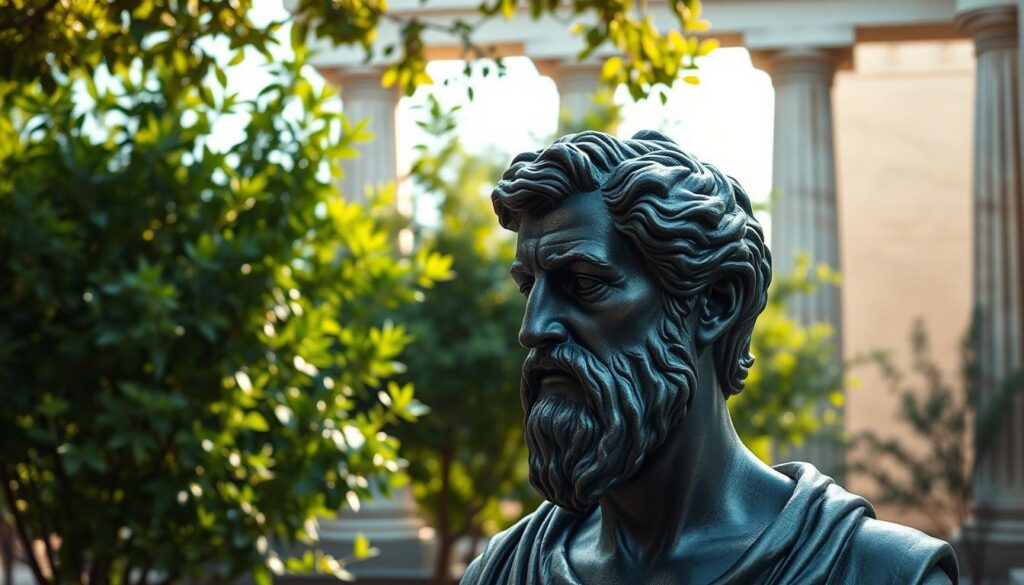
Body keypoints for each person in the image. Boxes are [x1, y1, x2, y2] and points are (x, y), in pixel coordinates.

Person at [460, 130, 958, 584]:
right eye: (529, 287)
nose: (533, 328)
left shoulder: (878, 572)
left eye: (584, 283)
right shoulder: (503, 572)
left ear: (717, 302)